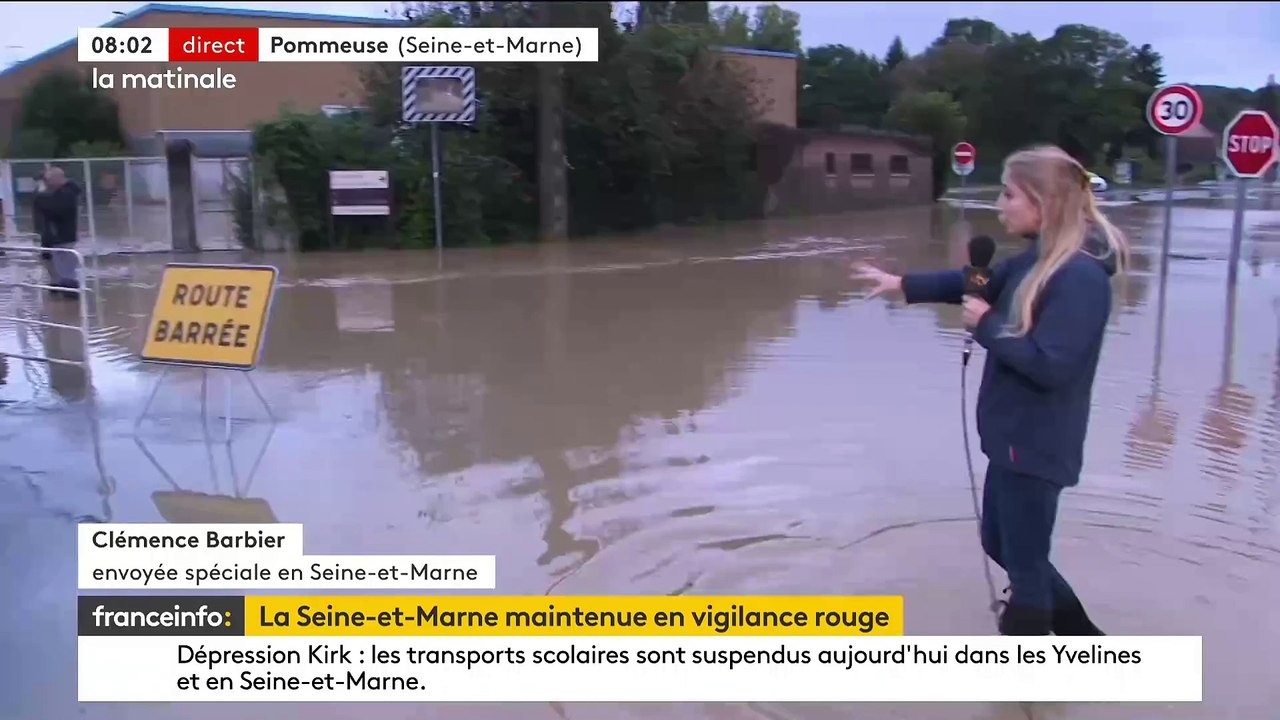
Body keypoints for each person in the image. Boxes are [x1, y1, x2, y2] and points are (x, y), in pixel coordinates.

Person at [851, 144, 1129, 636]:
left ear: (1044, 203)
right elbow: (976, 281)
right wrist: (902, 283)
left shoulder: (1080, 278)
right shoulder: (1031, 262)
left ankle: (1032, 674)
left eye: (1009, 195)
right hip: (1011, 439)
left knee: (1025, 565)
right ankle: (1085, 642)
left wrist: (988, 325)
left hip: (1038, 443)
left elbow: (1052, 367)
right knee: (1000, 542)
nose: (1000, 206)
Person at [32, 166, 82, 296]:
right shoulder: (59, 192)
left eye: (48, 180)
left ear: (58, 180)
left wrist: (40, 191)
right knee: (49, 263)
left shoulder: (66, 194)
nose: (46, 182)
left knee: (66, 271)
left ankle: (71, 300)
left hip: (61, 238)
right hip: (50, 237)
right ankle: (57, 289)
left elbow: (48, 207)